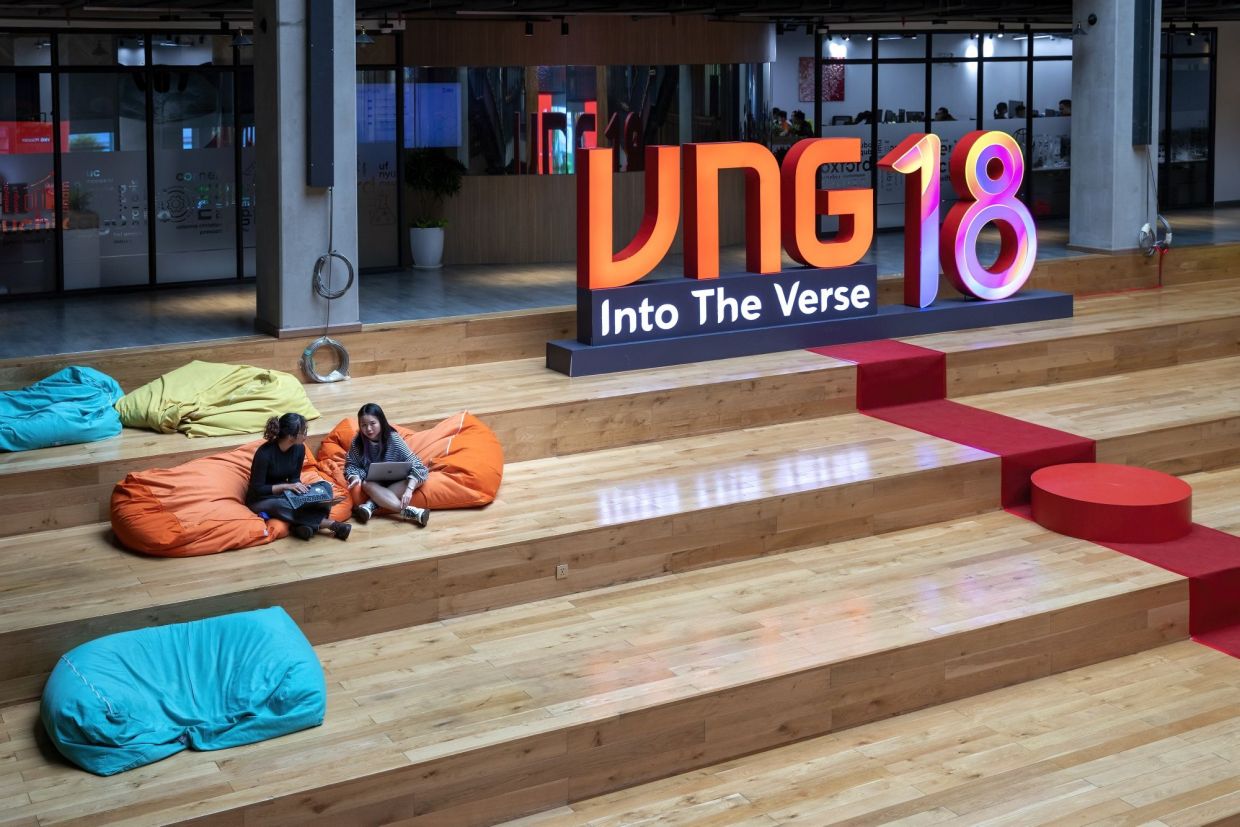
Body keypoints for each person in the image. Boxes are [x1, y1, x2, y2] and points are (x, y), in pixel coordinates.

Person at [248, 412, 350, 541]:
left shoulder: (299, 449)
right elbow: (258, 489)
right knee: (283, 504)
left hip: (286, 493)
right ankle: (332, 525)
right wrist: (287, 486)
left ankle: (303, 526)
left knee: (325, 487)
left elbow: (294, 479)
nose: (306, 435)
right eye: (303, 431)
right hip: (261, 499)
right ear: (291, 436)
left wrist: (302, 489)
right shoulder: (264, 454)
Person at [345, 403, 431, 527]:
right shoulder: (358, 442)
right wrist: (354, 477)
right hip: (375, 483)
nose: (368, 429)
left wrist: (409, 490)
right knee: (365, 484)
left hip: (399, 480)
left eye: (372, 423)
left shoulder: (393, 439)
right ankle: (411, 512)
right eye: (363, 425)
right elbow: (352, 464)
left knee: (418, 479)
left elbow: (417, 465)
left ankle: (371, 505)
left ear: (381, 421)